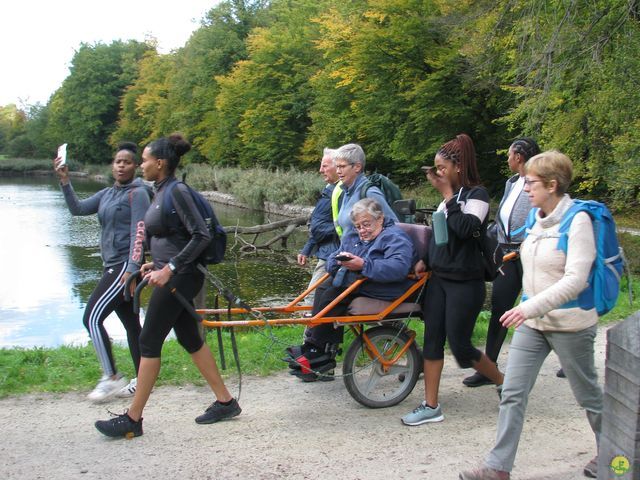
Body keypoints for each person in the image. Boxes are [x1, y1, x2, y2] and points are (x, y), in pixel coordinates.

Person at [459, 151, 602, 480]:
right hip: (533, 323)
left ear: (552, 185)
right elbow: (532, 263)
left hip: (570, 324)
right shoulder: (537, 219)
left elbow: (575, 279)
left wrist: (527, 307)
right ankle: (498, 468)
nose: (525, 188)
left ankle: (615, 450)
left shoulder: (578, 220)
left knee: (588, 395)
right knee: (512, 392)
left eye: (531, 182)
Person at [95, 133, 240, 438]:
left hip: (181, 278)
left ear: (159, 163)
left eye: (145, 159)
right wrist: (153, 264)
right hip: (170, 274)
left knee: (148, 341)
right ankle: (225, 402)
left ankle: (133, 418)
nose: (141, 164)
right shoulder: (160, 191)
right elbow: (169, 237)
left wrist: (170, 268)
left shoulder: (177, 191)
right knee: (190, 338)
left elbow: (200, 236)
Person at [401, 133, 504, 426]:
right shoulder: (448, 201)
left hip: (465, 282)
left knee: (460, 345)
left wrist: (447, 196)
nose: (438, 173)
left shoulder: (477, 195)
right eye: (436, 168)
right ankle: (431, 405)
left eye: (442, 167)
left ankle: (502, 383)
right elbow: (441, 237)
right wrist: (425, 259)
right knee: (432, 340)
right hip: (439, 279)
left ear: (458, 167)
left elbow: (467, 229)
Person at [54, 142, 150, 402]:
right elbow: (78, 209)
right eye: (118, 161)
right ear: (113, 165)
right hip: (112, 265)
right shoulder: (107, 194)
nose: (121, 165)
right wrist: (65, 182)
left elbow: (138, 232)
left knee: (92, 317)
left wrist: (131, 271)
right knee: (132, 325)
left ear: (135, 166)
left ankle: (111, 377)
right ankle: (143, 380)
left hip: (123, 268)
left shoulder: (137, 193)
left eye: (127, 162)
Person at [285, 198, 417, 381]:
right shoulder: (353, 236)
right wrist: (339, 261)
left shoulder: (394, 237)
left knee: (334, 292)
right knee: (325, 287)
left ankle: (318, 349)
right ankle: (318, 347)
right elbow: (333, 258)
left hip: (389, 286)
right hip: (359, 281)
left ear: (380, 219)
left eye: (366, 224)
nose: (362, 230)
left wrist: (363, 265)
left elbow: (398, 268)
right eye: (358, 226)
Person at [463, 138, 540, 388]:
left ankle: (569, 355)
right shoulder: (512, 182)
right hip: (508, 256)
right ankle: (489, 368)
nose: (507, 159)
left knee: (543, 307)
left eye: (509, 155)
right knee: (500, 309)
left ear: (518, 156)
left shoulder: (538, 180)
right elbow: (502, 218)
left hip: (530, 254)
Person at [298, 148, 342, 302]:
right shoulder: (330, 189)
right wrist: (307, 249)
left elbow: (344, 226)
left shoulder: (343, 192)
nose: (320, 170)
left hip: (333, 253)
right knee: (320, 301)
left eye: (325, 166)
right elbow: (319, 223)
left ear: (338, 167)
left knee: (311, 299)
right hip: (326, 252)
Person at [333, 143, 398, 237]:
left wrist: (372, 250)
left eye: (342, 166)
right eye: (337, 167)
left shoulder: (369, 192)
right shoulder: (346, 191)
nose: (338, 171)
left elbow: (394, 227)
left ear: (357, 167)